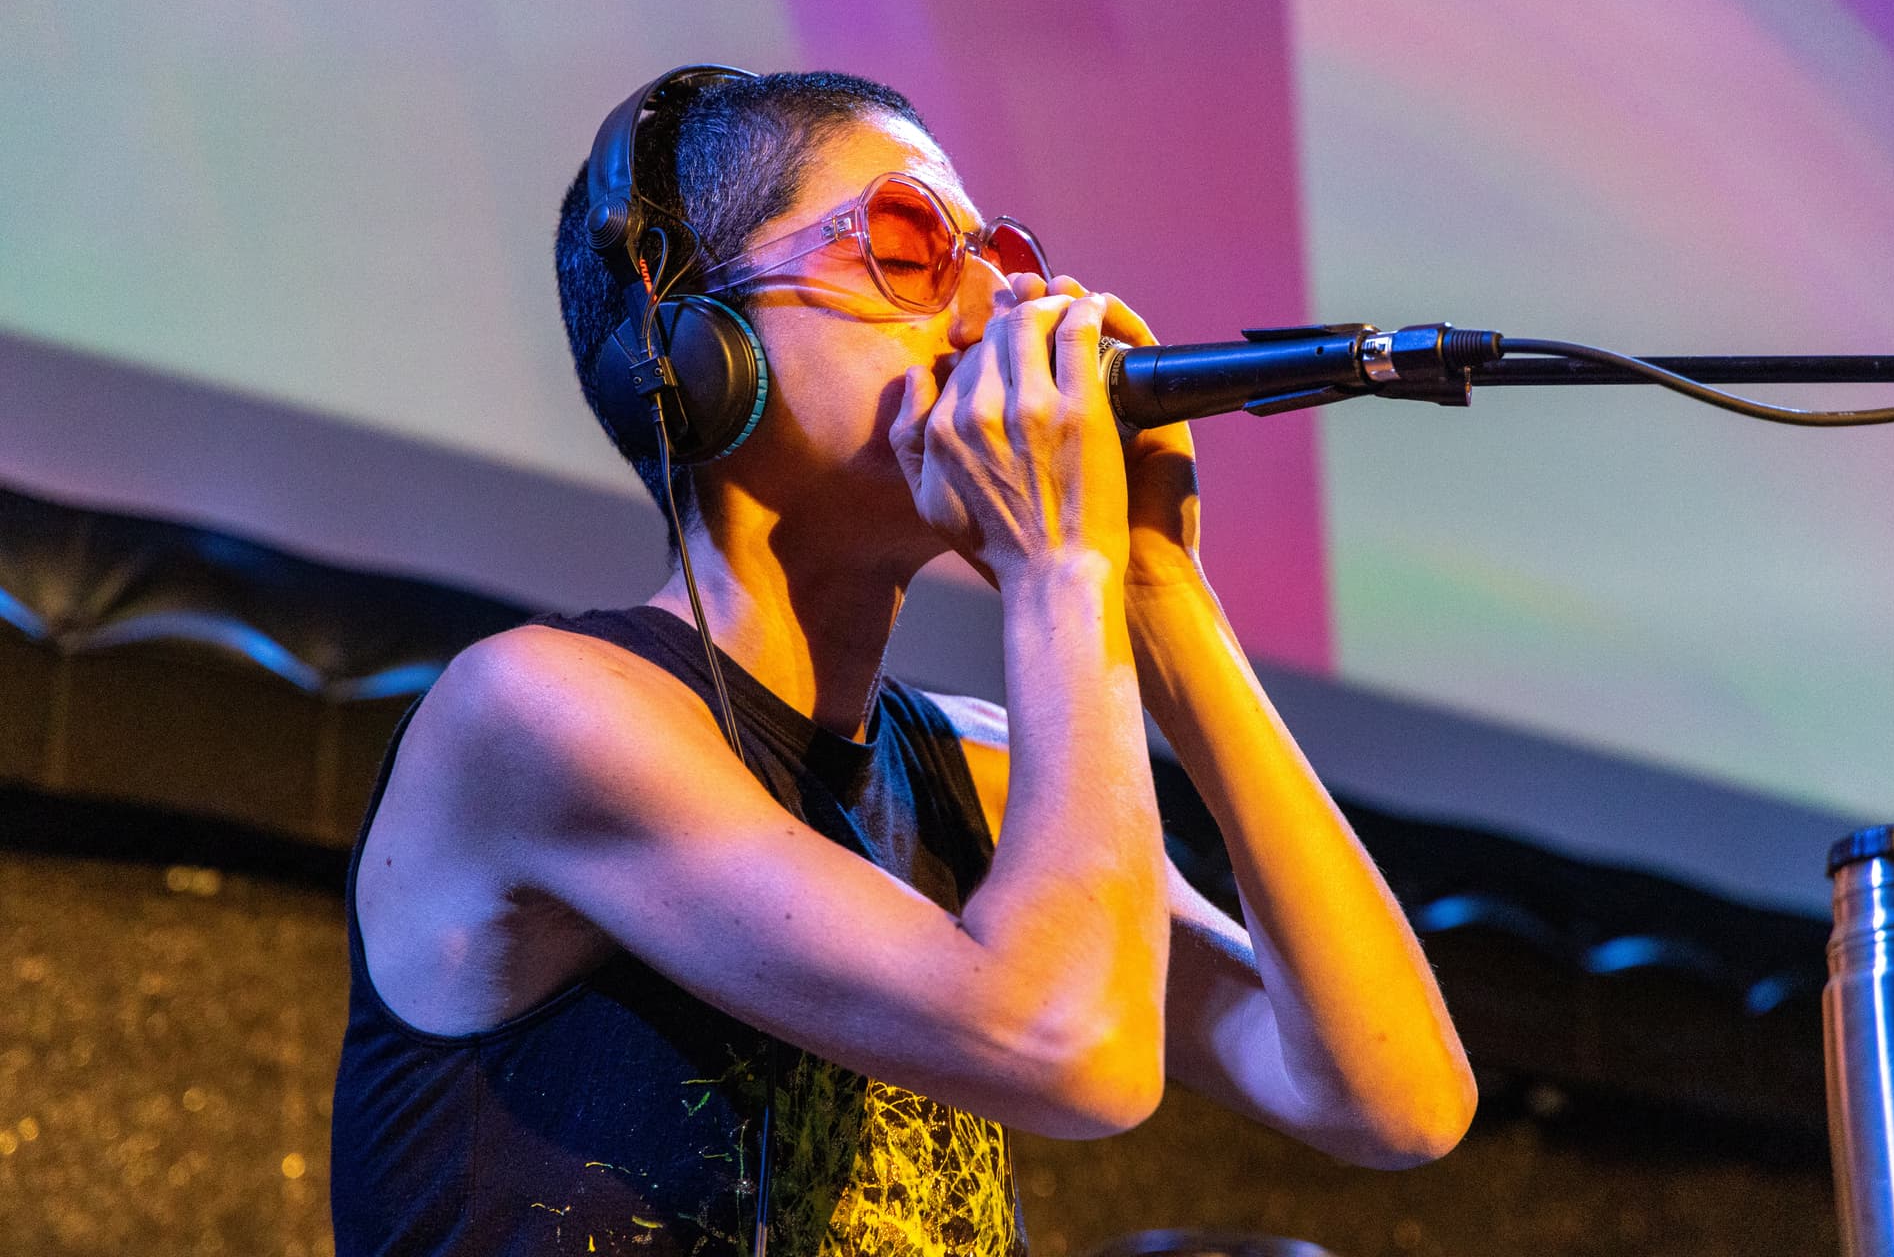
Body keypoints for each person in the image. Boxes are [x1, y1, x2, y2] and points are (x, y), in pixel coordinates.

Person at [330, 68, 1476, 1257]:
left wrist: (1157, 589)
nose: (999, 307)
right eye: (907, 248)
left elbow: (1394, 1096)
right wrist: (1057, 570)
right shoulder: (534, 710)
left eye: (1000, 257)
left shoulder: (971, 770)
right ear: (696, 344)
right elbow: (1073, 1051)